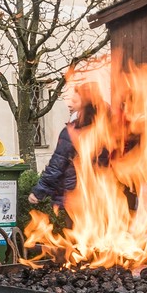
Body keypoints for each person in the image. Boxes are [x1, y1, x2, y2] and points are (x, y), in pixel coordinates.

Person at [28, 81, 98, 210]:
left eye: (75, 101)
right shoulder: (107, 131)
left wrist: (39, 191)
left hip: (74, 198)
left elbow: (57, 165)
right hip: (100, 198)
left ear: (86, 105)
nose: (69, 105)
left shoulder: (72, 131)